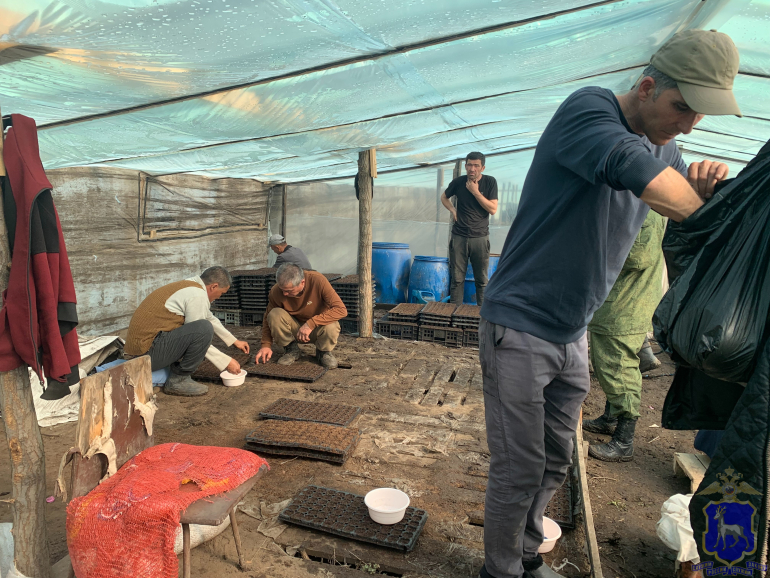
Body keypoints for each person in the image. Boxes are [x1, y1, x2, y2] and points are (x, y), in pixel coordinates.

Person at [478, 29, 741, 578]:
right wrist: (717, 216)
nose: (689, 125)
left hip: (574, 330)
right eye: (681, 107)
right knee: (519, 466)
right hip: (520, 324)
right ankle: (499, 571)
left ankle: (526, 556)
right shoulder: (589, 111)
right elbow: (634, 170)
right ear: (646, 88)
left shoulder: (666, 146)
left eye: (699, 114)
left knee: (555, 459)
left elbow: (678, 205)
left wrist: (709, 190)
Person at [584, 210, 666, 462]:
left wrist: (593, 245)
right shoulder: (640, 206)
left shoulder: (647, 211)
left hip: (626, 305)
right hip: (620, 301)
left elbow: (637, 256)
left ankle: (624, 441)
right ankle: (610, 418)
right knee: (608, 362)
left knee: (618, 367)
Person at [124, 266, 250, 396]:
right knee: (203, 329)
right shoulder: (197, 295)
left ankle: (173, 372)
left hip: (144, 349)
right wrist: (226, 362)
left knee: (203, 326)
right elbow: (200, 335)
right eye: (221, 293)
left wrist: (234, 341)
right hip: (146, 356)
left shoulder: (191, 286)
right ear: (214, 286)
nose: (219, 297)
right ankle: (179, 380)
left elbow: (208, 316)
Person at [255, 263, 346, 369]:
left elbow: (341, 310)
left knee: (332, 325)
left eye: (289, 291)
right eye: (282, 290)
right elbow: (267, 319)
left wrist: (311, 323)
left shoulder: (318, 281)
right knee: (274, 314)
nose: (284, 294)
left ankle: (323, 352)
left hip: (317, 329)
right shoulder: (276, 291)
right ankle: (291, 349)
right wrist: (266, 345)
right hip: (295, 330)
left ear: (302, 282)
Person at [441, 152, 498, 306]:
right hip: (459, 236)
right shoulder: (458, 182)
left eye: (476, 165)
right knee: (457, 279)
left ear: (482, 168)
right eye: (470, 165)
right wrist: (453, 210)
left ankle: (482, 315)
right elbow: (443, 197)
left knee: (481, 280)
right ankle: (455, 314)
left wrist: (475, 192)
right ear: (466, 166)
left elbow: (493, 209)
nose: (472, 169)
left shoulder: (490, 182)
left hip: (480, 237)